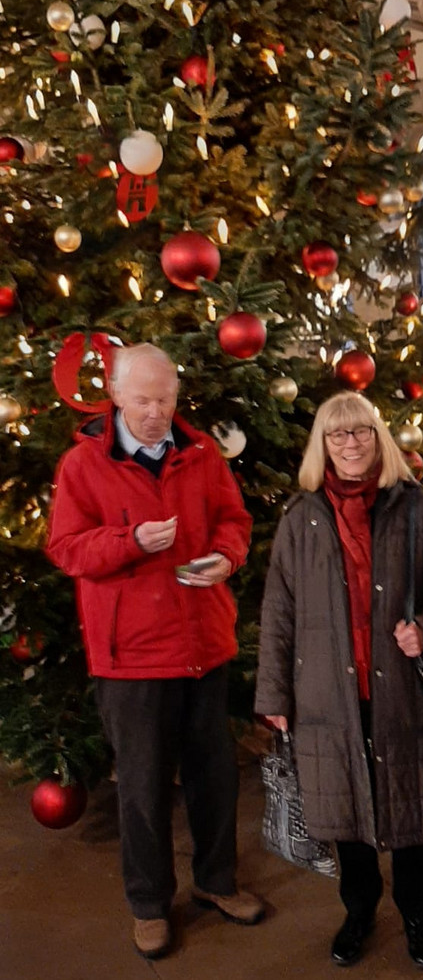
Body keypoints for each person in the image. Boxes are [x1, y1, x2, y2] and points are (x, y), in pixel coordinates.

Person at [47, 342, 264, 960]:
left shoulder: (201, 454)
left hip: (203, 644)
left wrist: (226, 557)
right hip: (132, 658)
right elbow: (67, 548)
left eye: (165, 399)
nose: (155, 412)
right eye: (142, 400)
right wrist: (131, 541)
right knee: (142, 790)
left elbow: (234, 519)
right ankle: (149, 904)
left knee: (214, 777)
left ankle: (217, 882)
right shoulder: (82, 465)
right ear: (115, 395)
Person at [255, 390, 423, 970]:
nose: (351, 443)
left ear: (379, 438)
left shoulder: (417, 509)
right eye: (338, 434)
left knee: (410, 806)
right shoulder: (299, 519)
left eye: (362, 431)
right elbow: (279, 611)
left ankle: (416, 914)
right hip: (326, 694)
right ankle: (359, 910)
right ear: (323, 444)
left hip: (402, 690)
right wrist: (273, 694)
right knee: (344, 807)